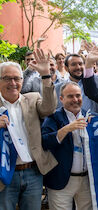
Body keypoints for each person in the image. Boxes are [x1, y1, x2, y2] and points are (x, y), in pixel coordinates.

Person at [0, 49, 58, 210]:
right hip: (4, 174)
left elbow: (49, 108)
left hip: (33, 172)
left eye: (17, 78)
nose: (13, 83)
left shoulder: (32, 99)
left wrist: (46, 76)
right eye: (7, 78)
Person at [42, 82, 92, 210]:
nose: (75, 100)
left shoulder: (90, 116)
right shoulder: (53, 117)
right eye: (70, 96)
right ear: (61, 99)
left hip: (86, 180)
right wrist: (67, 129)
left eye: (78, 95)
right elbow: (45, 141)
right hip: (62, 180)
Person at [55, 43, 98, 115]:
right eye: (73, 64)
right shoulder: (58, 88)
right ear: (66, 68)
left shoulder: (96, 80)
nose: (78, 67)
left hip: (96, 123)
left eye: (80, 64)